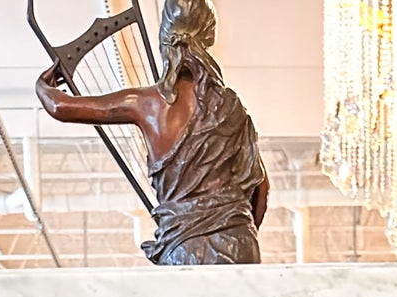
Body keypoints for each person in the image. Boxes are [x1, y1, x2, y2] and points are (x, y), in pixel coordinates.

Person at [35, 0, 269, 266]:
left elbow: (60, 107)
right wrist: (239, 230)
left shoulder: (146, 103)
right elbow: (261, 188)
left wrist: (44, 86)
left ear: (164, 40)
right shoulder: (231, 106)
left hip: (185, 246)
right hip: (239, 241)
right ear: (209, 37)